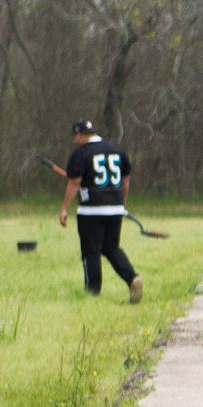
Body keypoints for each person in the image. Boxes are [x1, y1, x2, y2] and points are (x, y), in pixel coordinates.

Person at [60, 120, 142, 302]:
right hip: (115, 209)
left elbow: (74, 182)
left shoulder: (81, 154)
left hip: (91, 212)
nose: (75, 141)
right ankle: (132, 278)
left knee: (91, 252)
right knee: (111, 248)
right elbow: (125, 180)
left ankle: (92, 292)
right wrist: (122, 203)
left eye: (75, 137)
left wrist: (64, 208)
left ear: (80, 135)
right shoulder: (117, 151)